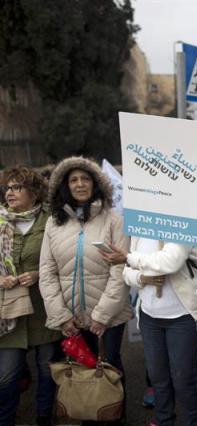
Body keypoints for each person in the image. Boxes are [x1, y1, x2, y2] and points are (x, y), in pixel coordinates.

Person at [38, 157, 132, 424]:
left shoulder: (114, 220)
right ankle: (85, 414)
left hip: (108, 317)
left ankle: (113, 416)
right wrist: (61, 315)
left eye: (86, 179)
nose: (80, 184)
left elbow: (119, 271)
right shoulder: (53, 223)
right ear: (64, 186)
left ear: (97, 183)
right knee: (79, 371)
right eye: (73, 180)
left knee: (109, 368)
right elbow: (47, 272)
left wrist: (101, 315)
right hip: (69, 315)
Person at [99, 238, 197, 426]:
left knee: (183, 378)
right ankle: (164, 419)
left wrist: (128, 257)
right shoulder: (140, 230)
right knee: (158, 376)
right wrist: (143, 278)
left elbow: (170, 261)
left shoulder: (182, 219)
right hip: (150, 317)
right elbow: (126, 273)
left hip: (182, 316)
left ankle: (193, 420)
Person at [0, 168, 61, 426]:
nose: (10, 193)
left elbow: (64, 259)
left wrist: (39, 273)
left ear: (35, 193)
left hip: (43, 306)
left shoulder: (52, 220)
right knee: (6, 376)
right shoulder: (1, 220)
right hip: (10, 310)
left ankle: (44, 417)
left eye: (17, 188)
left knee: (47, 369)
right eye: (8, 188)